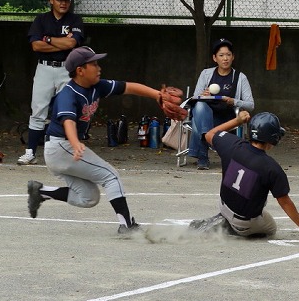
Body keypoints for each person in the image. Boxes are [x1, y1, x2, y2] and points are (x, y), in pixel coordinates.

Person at [26, 46, 185, 233]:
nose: (99, 67)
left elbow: (128, 87)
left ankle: (41, 191)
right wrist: (76, 144)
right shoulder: (68, 94)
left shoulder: (96, 86)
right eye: (93, 63)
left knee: (88, 198)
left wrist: (157, 95)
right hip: (63, 147)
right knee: (111, 177)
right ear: (80, 70)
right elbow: (68, 121)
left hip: (62, 151)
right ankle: (127, 226)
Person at [189, 111, 299, 237]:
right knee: (271, 227)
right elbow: (285, 202)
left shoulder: (232, 144)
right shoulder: (272, 167)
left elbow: (209, 134)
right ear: (273, 138)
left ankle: (225, 219)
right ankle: (229, 229)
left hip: (224, 206)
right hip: (243, 223)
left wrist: (237, 121)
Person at [18, 0, 85, 165]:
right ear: (51, 0)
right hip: (44, 68)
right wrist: (59, 42)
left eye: (67, 0)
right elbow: (35, 45)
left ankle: (64, 152)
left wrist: (47, 39)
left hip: (66, 68)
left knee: (66, 110)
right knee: (38, 110)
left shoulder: (75, 20)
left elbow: (71, 44)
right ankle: (30, 152)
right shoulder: (41, 20)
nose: (64, 3)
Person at [188, 38, 255, 170]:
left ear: (233, 57)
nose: (225, 58)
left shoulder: (240, 77)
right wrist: (203, 95)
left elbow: (250, 105)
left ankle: (202, 154)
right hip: (206, 117)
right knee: (200, 106)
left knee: (198, 120)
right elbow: (194, 98)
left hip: (226, 119)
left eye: (228, 55)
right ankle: (203, 151)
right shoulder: (206, 74)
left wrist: (232, 101)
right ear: (215, 58)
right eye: (221, 55)